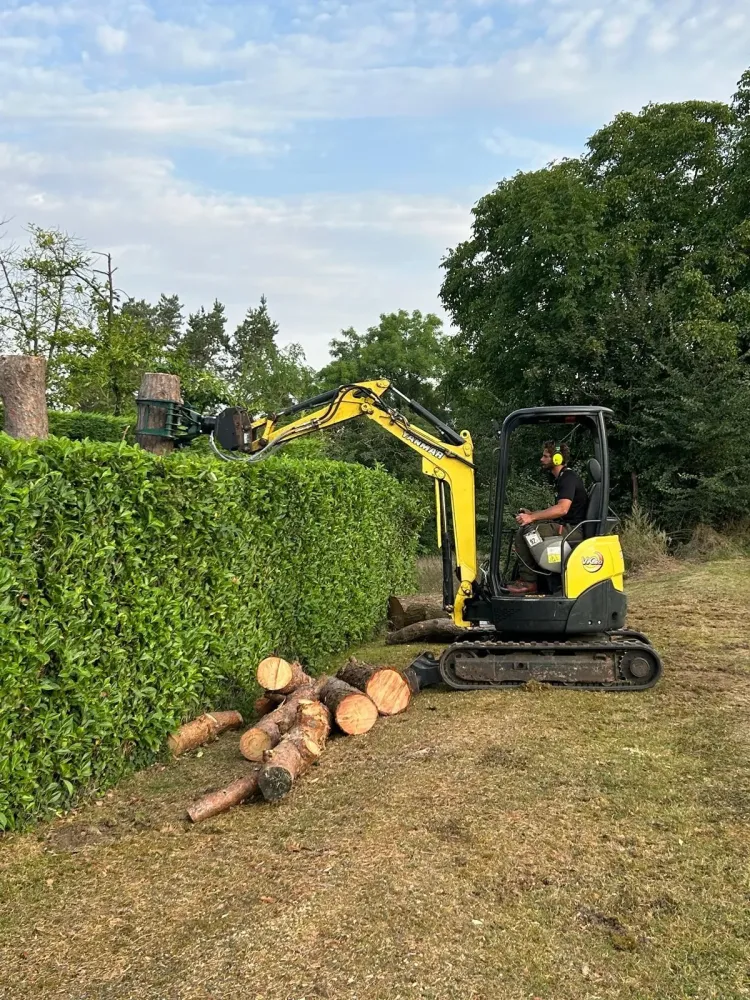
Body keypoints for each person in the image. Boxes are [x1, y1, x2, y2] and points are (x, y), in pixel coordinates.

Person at [506, 441, 588, 595]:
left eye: (545, 456)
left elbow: (562, 509)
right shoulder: (563, 478)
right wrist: (532, 514)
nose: (541, 459)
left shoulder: (568, 478)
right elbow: (556, 509)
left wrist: (532, 518)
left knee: (525, 532)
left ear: (556, 459)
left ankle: (528, 582)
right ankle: (534, 578)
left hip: (573, 530)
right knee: (529, 528)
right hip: (568, 527)